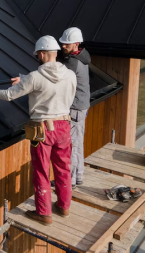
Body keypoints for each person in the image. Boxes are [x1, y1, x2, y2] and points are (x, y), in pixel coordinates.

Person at [0, 36, 76, 225]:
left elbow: (9, 95)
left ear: (42, 54)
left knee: (42, 171)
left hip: (43, 129)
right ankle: (64, 206)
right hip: (64, 127)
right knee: (63, 168)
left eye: (38, 55)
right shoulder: (70, 74)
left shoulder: (35, 78)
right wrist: (26, 79)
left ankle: (44, 213)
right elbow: (55, 87)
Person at [59, 27, 90, 189]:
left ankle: (69, 182)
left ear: (76, 44)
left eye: (66, 43)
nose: (63, 46)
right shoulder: (82, 57)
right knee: (78, 143)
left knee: (72, 145)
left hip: (76, 108)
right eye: (62, 43)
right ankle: (78, 177)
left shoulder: (72, 62)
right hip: (81, 106)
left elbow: (56, 76)